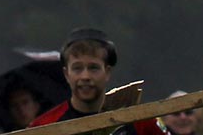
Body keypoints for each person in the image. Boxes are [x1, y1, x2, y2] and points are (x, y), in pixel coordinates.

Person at [30, 27, 158, 135]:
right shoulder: (44, 128)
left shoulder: (138, 121)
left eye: (93, 68)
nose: (85, 76)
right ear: (66, 74)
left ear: (107, 72)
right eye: (77, 68)